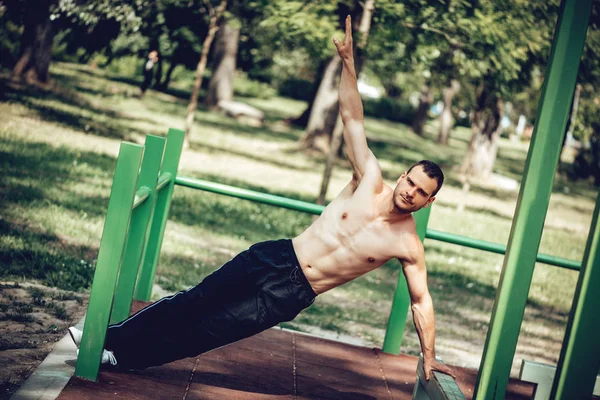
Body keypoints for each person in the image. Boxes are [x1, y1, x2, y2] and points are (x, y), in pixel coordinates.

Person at [69, 15, 454, 381]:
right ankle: (105, 337)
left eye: (422, 193)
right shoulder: (368, 179)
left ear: (428, 202)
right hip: (278, 255)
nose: (411, 193)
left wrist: (430, 355)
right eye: (412, 182)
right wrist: (348, 65)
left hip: (292, 292)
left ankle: (121, 358)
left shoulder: (407, 244)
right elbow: (352, 118)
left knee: (207, 331)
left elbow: (422, 302)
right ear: (403, 175)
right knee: (195, 300)